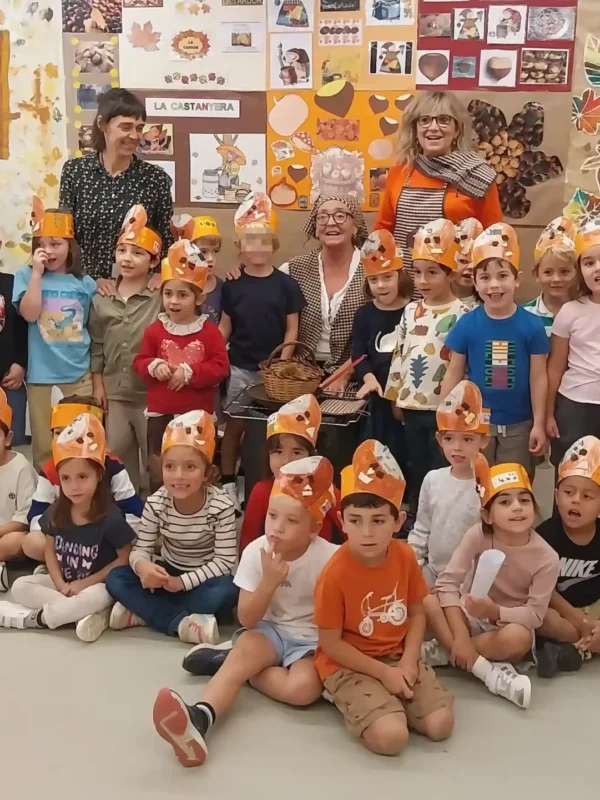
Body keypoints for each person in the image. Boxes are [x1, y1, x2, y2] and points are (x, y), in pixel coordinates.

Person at [151, 456, 337, 767]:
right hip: (268, 631)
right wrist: (269, 583)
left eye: (292, 521)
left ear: (314, 528)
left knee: (303, 690)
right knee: (245, 654)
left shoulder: (330, 559)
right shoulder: (256, 551)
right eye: (272, 516)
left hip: (310, 641)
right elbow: (247, 618)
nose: (277, 528)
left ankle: (235, 665)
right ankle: (200, 717)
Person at [314, 440, 454, 756]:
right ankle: (357, 701)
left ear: (398, 522)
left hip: (396, 654)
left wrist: (408, 660)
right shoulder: (333, 574)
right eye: (355, 521)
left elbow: (417, 613)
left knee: (440, 725)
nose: (366, 533)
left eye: (378, 520)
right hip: (347, 663)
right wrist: (383, 675)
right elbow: (330, 644)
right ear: (342, 521)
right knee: (392, 738)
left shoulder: (405, 557)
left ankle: (388, 704)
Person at [424, 457, 559, 708]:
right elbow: (447, 584)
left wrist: (495, 611)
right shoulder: (477, 534)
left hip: (506, 625)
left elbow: (534, 615)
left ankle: (446, 652)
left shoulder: (547, 558)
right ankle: (475, 662)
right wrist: (461, 636)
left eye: (524, 500)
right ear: (487, 515)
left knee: (519, 638)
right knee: (429, 602)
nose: (517, 507)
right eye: (505, 502)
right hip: (469, 615)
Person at [105, 411, 238, 642]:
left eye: (190, 467)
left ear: (206, 472)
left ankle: (144, 612)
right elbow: (141, 549)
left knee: (228, 590)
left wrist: (182, 583)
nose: (178, 476)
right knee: (116, 578)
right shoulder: (156, 502)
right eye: (170, 467)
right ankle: (181, 622)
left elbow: (224, 562)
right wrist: (143, 567)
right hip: (166, 574)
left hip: (203, 580)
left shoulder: (222, 505)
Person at [0, 414, 135, 642]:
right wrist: (60, 582)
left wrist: (84, 584)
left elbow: (124, 558)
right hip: (65, 582)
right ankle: (83, 615)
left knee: (95, 597)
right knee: (20, 586)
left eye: (82, 477)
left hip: (95, 584)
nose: (74, 486)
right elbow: (49, 549)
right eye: (66, 479)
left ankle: (38, 618)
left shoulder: (110, 515)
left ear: (99, 475)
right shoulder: (57, 510)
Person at [441, 223, 549, 478]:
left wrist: (539, 423)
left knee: (513, 482)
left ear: (517, 279)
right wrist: (445, 420)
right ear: (475, 282)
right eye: (485, 278)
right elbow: (453, 373)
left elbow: (538, 377)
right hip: (475, 425)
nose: (494, 285)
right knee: (476, 484)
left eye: (502, 276)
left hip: (520, 425)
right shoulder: (467, 324)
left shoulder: (532, 325)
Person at [219, 193, 305, 508]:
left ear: (274, 246)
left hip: (274, 375)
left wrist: (281, 366)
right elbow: (224, 327)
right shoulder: (232, 284)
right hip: (239, 367)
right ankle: (229, 480)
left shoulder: (286, 285)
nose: (258, 248)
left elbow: (292, 329)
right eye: (251, 241)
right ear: (240, 246)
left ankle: (259, 481)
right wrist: (216, 357)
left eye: (264, 241)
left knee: (269, 432)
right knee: (235, 425)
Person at [375, 91, 502, 292]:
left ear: (457, 129)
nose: (433, 127)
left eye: (444, 120)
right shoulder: (399, 173)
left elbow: (494, 238)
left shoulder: (478, 176)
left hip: (455, 293)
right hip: (404, 290)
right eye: (425, 120)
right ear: (415, 128)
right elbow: (383, 231)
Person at [384, 218, 472, 506]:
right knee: (417, 464)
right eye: (418, 273)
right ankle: (418, 513)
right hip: (411, 404)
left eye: (432, 272)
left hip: (442, 408)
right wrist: (395, 395)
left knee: (442, 466)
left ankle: (442, 512)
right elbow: (400, 354)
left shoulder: (463, 313)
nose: (423, 281)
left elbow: (462, 365)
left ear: (450, 274)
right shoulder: (410, 310)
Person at [134, 239, 229, 493]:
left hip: (197, 416)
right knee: (160, 467)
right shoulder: (155, 330)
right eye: (168, 294)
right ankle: (160, 508)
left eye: (182, 295)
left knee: (197, 467)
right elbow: (139, 362)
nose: (173, 301)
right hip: (161, 416)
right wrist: (153, 365)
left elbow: (220, 367)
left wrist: (191, 372)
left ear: (199, 298)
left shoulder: (209, 332)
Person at [13, 198, 96, 470]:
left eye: (56, 244)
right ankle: (46, 492)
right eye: (42, 244)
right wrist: (37, 275)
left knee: (82, 442)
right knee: (44, 447)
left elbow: (93, 328)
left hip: (79, 375)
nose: (48, 251)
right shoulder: (25, 276)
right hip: (42, 377)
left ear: (69, 246)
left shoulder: (85, 283)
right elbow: (29, 314)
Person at [59, 88, 173, 287]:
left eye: (139, 128)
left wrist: (162, 272)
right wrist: (90, 279)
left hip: (138, 290)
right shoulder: (75, 172)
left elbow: (166, 237)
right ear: (103, 124)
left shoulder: (155, 179)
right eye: (126, 127)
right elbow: (65, 236)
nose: (135, 135)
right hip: (85, 287)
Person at [89, 205, 162, 492]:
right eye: (122, 251)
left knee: (156, 458)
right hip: (115, 393)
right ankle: (127, 507)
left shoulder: (160, 294)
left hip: (151, 394)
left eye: (137, 253)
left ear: (153, 261)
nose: (127, 259)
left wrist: (166, 276)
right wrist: (98, 385)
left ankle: (159, 507)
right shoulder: (101, 298)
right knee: (117, 455)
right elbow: (97, 345)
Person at [24, 391, 142, 563]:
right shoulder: (50, 469)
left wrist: (114, 538)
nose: (67, 440)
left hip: (105, 540)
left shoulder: (113, 466)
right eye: (59, 433)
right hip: (65, 542)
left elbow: (134, 511)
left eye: (77, 434)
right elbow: (36, 513)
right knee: (31, 542)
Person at [279, 194, 369, 389]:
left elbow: (383, 330)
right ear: (315, 228)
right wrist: (240, 273)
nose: (330, 222)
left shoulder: (373, 269)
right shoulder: (294, 269)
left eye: (340, 215)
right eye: (322, 216)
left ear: (355, 226)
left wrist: (345, 373)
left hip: (356, 376)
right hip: (300, 375)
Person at [409, 380, 490, 587]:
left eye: (467, 439)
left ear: (484, 441)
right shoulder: (432, 480)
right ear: (439, 439)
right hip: (433, 573)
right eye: (449, 439)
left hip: (473, 581)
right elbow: (422, 528)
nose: (457, 447)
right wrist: (412, 566)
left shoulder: (490, 485)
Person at [238, 393, 341, 554]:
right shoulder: (262, 491)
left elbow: (351, 529)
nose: (286, 461)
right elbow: (247, 544)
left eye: (297, 452)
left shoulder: (326, 491)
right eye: (278, 451)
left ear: (311, 455)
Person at [536, 436, 600, 676]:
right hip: (562, 611)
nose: (575, 500)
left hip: (596, 608)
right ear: (556, 497)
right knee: (542, 618)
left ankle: (575, 650)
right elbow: (545, 591)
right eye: (569, 492)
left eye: (587, 496)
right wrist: (580, 622)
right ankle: (586, 644)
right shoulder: (544, 536)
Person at [352, 230, 412, 477]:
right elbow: (358, 355)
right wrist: (368, 378)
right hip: (375, 400)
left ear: (400, 276)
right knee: (373, 455)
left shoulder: (413, 311)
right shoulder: (364, 314)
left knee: (404, 455)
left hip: (405, 400)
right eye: (374, 280)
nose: (381, 285)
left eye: (387, 277)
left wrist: (399, 394)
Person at [546, 218, 600, 467]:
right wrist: (548, 413)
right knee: (570, 471)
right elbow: (555, 367)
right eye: (589, 263)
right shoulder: (570, 311)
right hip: (574, 407)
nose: (597, 268)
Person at [0, 389, 38, 592]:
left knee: (15, 541)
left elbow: (24, 517)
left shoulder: (21, 467)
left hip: (9, 533)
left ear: (7, 438)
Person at [523, 216, 577, 336]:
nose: (556, 279)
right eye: (548, 272)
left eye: (564, 271)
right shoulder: (523, 315)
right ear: (536, 274)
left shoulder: (586, 312)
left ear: (577, 273)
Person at [171, 214, 224, 326]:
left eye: (215, 251)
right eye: (203, 252)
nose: (211, 259)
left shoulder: (223, 287)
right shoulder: (175, 285)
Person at [0, 268, 28, 445]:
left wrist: (21, 364)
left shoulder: (12, 282)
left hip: (9, 379)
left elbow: (25, 327)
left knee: (12, 441)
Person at [453, 218, 483, 308]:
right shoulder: (434, 302)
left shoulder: (490, 307)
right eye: (463, 261)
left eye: (476, 262)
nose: (471, 267)